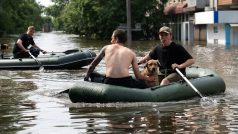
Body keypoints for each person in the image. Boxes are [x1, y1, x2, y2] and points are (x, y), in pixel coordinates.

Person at [84, 29, 154, 88]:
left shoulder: (106, 48)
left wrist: (86, 78)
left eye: (112, 38)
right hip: (126, 82)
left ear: (116, 39)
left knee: (92, 73)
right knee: (143, 82)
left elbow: (91, 66)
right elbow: (138, 76)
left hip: (109, 81)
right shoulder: (131, 52)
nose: (111, 41)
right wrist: (148, 78)